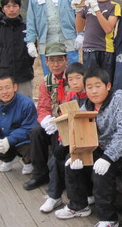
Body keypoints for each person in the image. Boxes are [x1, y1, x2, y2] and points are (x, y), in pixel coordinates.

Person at [55, 68, 122, 227]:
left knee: (101, 172)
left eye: (98, 86)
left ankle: (109, 218)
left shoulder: (120, 102)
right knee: (72, 161)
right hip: (99, 149)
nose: (94, 91)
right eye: (89, 87)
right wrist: (75, 152)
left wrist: (108, 157)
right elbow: (81, 131)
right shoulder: (87, 106)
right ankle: (79, 205)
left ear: (108, 86)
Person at [39, 62, 91, 214]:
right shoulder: (70, 95)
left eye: (78, 78)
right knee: (56, 157)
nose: (74, 82)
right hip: (71, 138)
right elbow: (64, 119)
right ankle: (54, 196)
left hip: (85, 140)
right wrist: (63, 141)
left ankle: (79, 200)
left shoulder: (89, 96)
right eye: (71, 79)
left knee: (69, 158)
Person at [23, 42, 70, 191]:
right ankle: (40, 174)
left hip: (69, 121)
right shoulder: (46, 82)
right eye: (52, 60)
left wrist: (61, 121)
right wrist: (46, 120)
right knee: (36, 132)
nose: (56, 64)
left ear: (66, 60)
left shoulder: (74, 77)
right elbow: (43, 106)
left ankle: (60, 178)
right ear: (46, 62)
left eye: (59, 60)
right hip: (52, 120)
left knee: (59, 138)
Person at [25, 0, 79, 75]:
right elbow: (31, 21)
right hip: (46, 45)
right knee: (50, 81)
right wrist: (30, 43)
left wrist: (81, 34)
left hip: (69, 42)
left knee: (72, 79)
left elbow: (80, 14)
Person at [0, 76, 37, 174]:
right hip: (3, 138)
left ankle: (29, 161)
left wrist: (9, 140)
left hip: (22, 140)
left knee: (33, 140)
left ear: (15, 87)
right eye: (0, 89)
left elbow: (30, 128)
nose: (5, 92)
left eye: (7, 87)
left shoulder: (27, 103)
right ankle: (9, 158)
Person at [74, 0, 122, 82]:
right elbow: (79, 29)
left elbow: (108, 28)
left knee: (105, 84)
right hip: (88, 49)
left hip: (105, 50)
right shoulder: (88, 3)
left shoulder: (114, 6)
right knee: (91, 82)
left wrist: (96, 9)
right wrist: (77, 9)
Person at [0, 0, 35, 98]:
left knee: (25, 105)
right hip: (4, 76)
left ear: (20, 8)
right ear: (3, 9)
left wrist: (25, 63)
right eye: (8, 6)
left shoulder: (28, 28)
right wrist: (2, 65)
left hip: (24, 75)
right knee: (6, 105)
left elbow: (32, 52)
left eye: (15, 6)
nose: (11, 9)